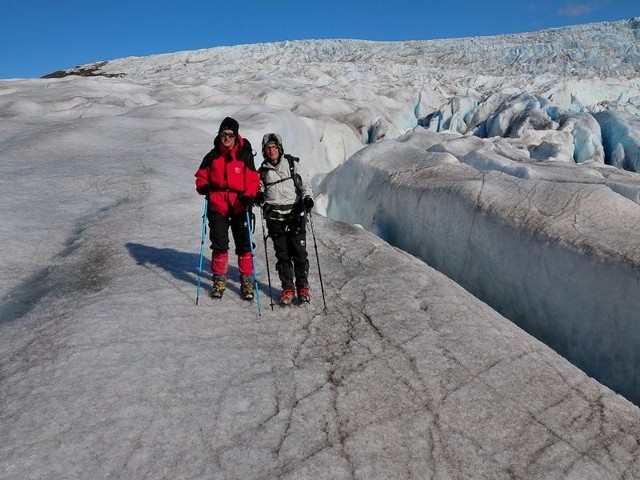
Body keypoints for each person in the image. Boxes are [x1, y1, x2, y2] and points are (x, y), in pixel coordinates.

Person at [195, 117, 260, 300]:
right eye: (223, 134)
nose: (227, 138)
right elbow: (201, 176)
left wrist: (249, 195)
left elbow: (253, 180)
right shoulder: (212, 156)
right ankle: (219, 280)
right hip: (217, 205)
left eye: (230, 135)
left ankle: (247, 282)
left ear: (236, 135)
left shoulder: (244, 155)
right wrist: (204, 187)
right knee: (219, 244)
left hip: (240, 204)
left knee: (244, 245)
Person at [255, 133, 314, 305]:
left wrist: (308, 198)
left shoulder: (292, 165)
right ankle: (288, 288)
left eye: (274, 147)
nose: (271, 150)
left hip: (295, 214)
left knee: (300, 254)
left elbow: (305, 184)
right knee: (283, 255)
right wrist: (258, 196)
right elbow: (258, 189)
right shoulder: (263, 172)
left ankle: (303, 287)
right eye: (268, 148)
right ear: (264, 151)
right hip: (275, 218)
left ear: (279, 148)